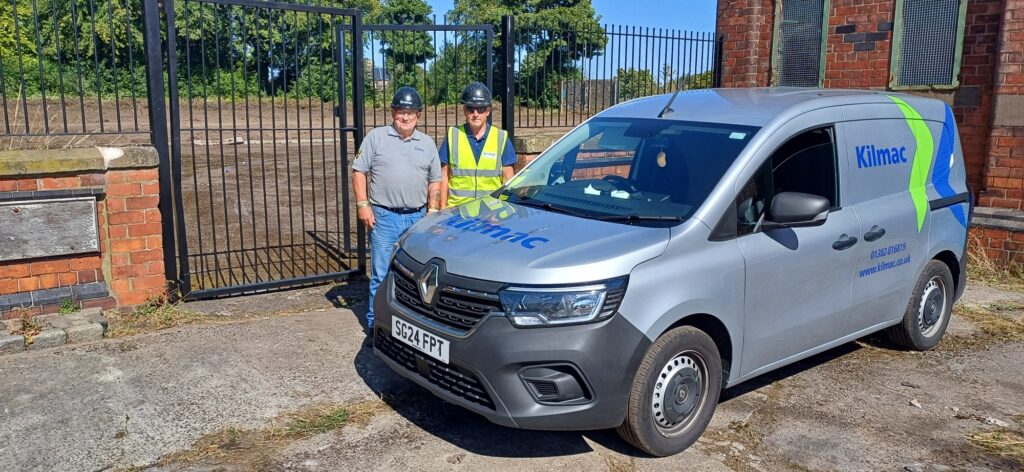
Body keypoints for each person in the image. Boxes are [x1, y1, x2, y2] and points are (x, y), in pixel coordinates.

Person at [352, 86, 441, 332]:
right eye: (401, 111)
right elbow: (359, 170)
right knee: (381, 276)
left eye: (410, 112)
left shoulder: (427, 143)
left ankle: (411, 327)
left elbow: (435, 179)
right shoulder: (376, 137)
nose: (405, 117)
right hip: (384, 217)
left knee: (416, 277)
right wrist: (362, 205)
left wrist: (433, 210)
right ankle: (375, 327)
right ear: (392, 112)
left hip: (417, 218)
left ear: (419, 116)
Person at [439, 82, 518, 212]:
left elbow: (508, 180)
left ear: (488, 111)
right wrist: (442, 208)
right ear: (465, 110)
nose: (476, 114)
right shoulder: (453, 135)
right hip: (457, 211)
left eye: (480, 109)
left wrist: (503, 211)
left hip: (490, 213)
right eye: (471, 109)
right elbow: (444, 176)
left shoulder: (501, 137)